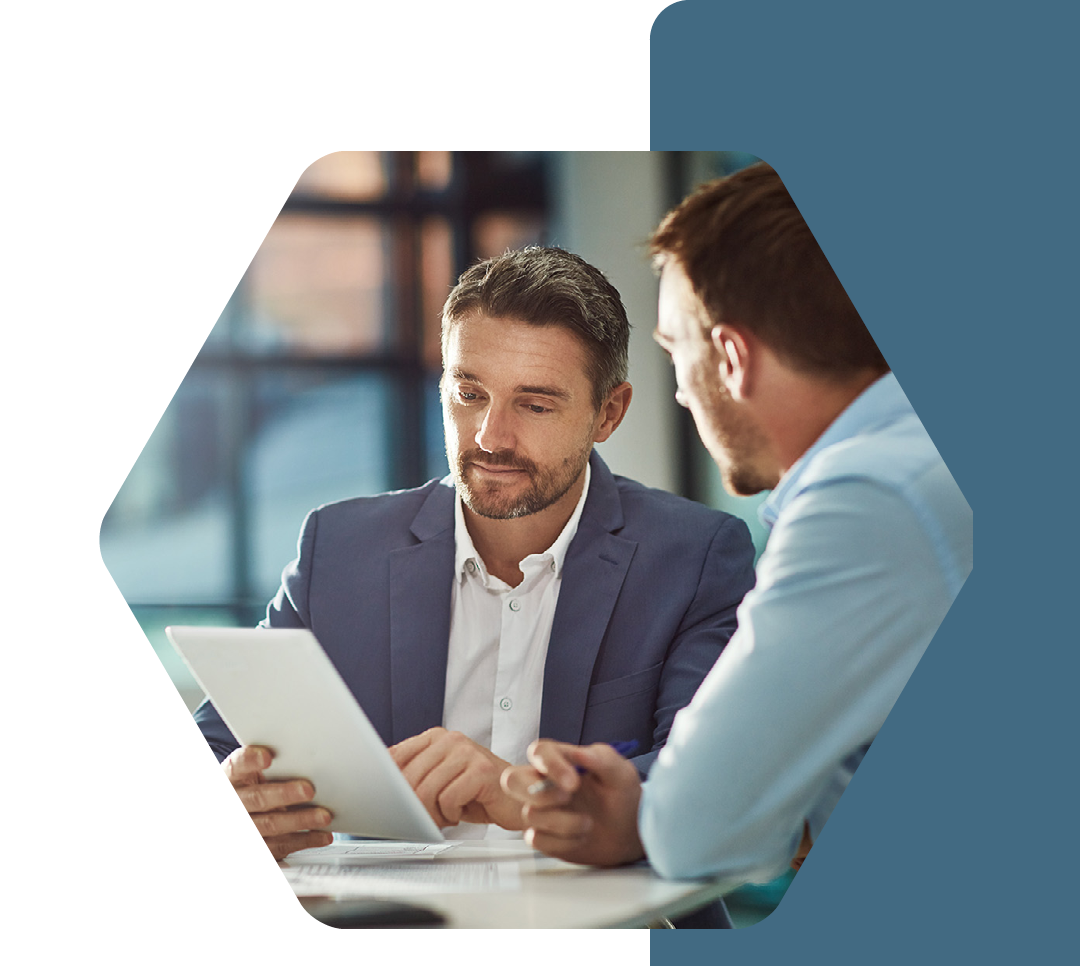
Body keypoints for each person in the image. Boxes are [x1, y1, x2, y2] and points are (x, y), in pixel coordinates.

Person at [194, 246, 756, 858]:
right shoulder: (339, 548)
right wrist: (232, 803)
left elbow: (711, 780)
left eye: (535, 405)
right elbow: (220, 745)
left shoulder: (696, 557)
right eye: (469, 393)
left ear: (608, 413)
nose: (491, 437)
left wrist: (519, 794)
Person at [501, 164, 973, 885]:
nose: (683, 395)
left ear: (730, 356)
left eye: (674, 352)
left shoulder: (869, 498)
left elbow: (699, 827)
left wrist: (639, 810)